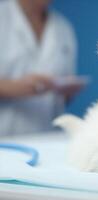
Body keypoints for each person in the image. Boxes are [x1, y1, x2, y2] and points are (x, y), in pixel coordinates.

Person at [0, 0, 80, 135]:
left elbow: (63, 100)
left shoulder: (63, 27)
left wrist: (66, 89)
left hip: (46, 135)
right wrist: (20, 87)